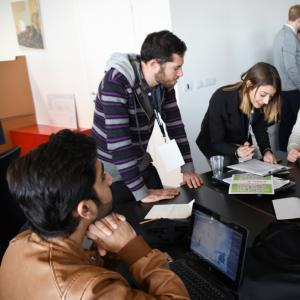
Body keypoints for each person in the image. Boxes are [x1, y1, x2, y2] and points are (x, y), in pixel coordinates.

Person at [0, 130, 189, 299]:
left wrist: (98, 256)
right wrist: (134, 250)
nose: (109, 179)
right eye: (102, 176)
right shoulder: (91, 290)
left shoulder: (17, 245)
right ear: (85, 209)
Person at [92, 30, 202, 204]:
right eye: (176, 67)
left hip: (141, 163)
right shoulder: (115, 82)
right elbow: (119, 145)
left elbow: (175, 126)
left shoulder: (164, 84)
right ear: (154, 64)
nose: (181, 73)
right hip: (113, 176)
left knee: (168, 217)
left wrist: (187, 168)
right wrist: (141, 192)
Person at [196, 62, 281, 166]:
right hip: (214, 144)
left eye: (271, 96)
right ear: (249, 84)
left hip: (238, 143)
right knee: (225, 168)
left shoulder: (260, 101)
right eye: (263, 94)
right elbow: (216, 141)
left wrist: (266, 151)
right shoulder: (221, 98)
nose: (267, 101)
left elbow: (260, 129)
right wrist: (237, 151)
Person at [273, 5, 300, 151]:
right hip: (293, 88)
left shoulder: (280, 34)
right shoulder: (289, 36)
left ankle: (284, 154)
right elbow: (291, 67)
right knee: (294, 125)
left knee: (286, 123)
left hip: (283, 88)